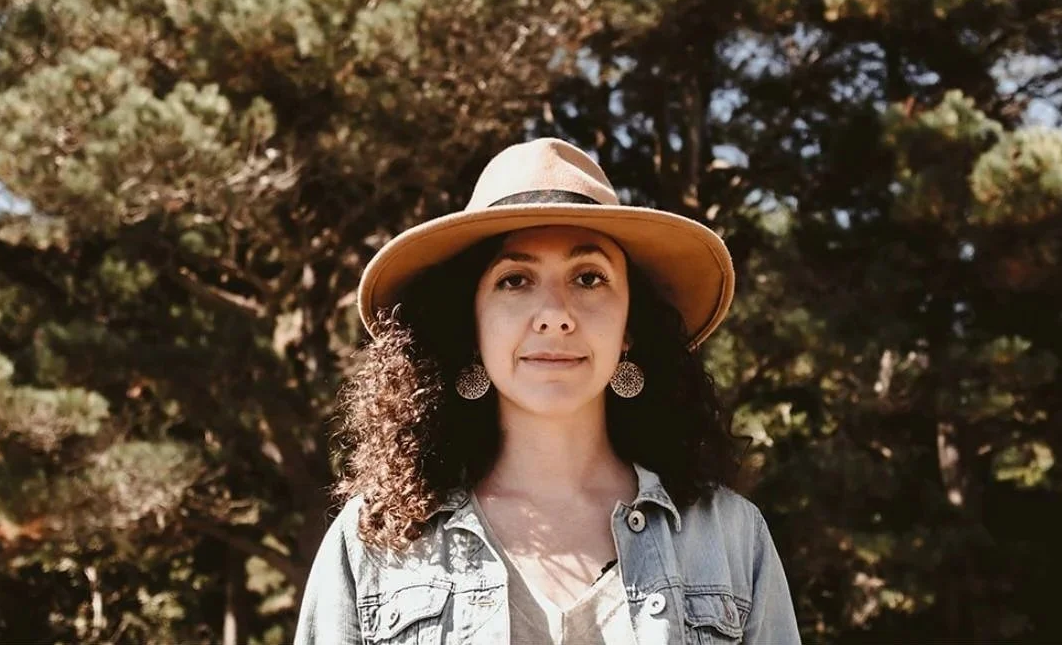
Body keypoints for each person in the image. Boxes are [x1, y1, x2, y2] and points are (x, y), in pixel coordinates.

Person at [293, 136, 802, 645]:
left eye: (588, 278)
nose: (556, 315)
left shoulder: (733, 538)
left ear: (630, 326)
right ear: (472, 325)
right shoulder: (375, 540)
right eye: (514, 281)